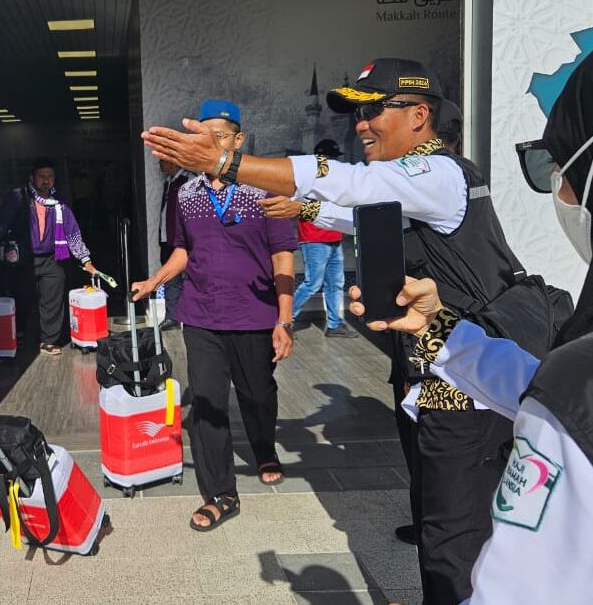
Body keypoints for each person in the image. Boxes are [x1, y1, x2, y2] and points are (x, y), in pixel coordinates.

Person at [352, 6, 593, 604]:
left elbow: (584, 414)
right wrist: (439, 329)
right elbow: (550, 393)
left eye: (558, 164)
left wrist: (232, 167)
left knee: (452, 514)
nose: (559, 191)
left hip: (455, 396)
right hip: (445, 356)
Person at [144, 61, 525, 604]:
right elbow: (364, 213)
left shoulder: (438, 173)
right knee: (434, 502)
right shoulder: (411, 184)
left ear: (420, 116)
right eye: (358, 114)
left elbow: (356, 186)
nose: (361, 125)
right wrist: (305, 206)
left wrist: (231, 164)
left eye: (373, 111)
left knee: (456, 540)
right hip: (433, 367)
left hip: (469, 383)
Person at [131, 99, 297, 532]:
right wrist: (156, 281)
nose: (209, 145)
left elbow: (282, 256)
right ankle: (220, 493)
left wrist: (284, 319)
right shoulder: (185, 193)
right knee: (207, 405)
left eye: (219, 137)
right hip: (202, 314)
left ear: (238, 140)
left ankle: (264, 448)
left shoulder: (265, 190)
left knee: (258, 394)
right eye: (200, 137)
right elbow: (184, 251)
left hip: (256, 314)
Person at [0, 159, 97, 355]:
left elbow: (72, 233)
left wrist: (85, 260)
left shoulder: (60, 204)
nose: (46, 181)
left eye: (50, 176)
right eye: (42, 176)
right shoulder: (18, 197)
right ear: (32, 177)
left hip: (52, 259)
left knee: (52, 299)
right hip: (23, 259)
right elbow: (1, 219)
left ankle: (48, 340)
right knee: (23, 298)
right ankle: (18, 335)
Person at [289, 139, 358, 338]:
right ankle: (284, 321)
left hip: (333, 236)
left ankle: (335, 324)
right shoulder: (306, 178)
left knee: (335, 283)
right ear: (321, 158)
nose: (334, 161)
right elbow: (295, 203)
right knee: (313, 282)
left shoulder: (335, 179)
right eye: (331, 158)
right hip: (314, 238)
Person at [157, 158, 195, 329]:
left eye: (162, 162)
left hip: (184, 240)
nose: (159, 165)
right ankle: (172, 316)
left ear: (173, 163)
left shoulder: (189, 180)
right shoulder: (169, 182)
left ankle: (192, 316)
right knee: (170, 278)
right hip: (167, 238)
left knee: (190, 277)